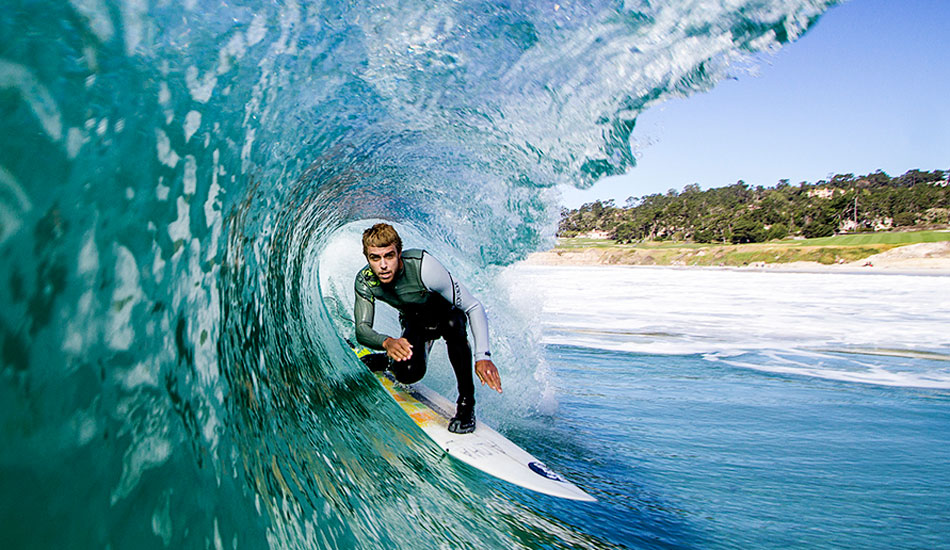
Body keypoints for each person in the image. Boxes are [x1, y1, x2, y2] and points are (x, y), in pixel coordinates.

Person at [353, 222, 502, 434]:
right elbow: (362, 330)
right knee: (408, 374)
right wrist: (387, 343)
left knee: (453, 323)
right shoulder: (365, 281)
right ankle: (387, 360)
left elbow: (473, 306)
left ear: (399, 254)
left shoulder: (423, 266)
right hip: (415, 321)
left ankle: (466, 403)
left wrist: (483, 356)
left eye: (389, 256)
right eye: (375, 258)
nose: (383, 265)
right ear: (367, 258)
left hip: (446, 315)